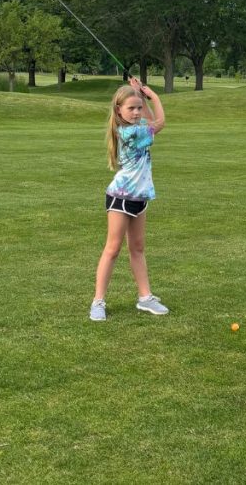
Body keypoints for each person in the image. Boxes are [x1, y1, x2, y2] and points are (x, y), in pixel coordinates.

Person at [90, 78, 168, 321]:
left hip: (139, 197)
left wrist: (139, 96)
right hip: (120, 197)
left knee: (137, 248)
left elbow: (147, 119)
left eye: (137, 108)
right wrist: (151, 95)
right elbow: (160, 122)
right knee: (112, 249)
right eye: (130, 108)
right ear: (118, 111)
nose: (135, 112)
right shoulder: (130, 131)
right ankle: (98, 302)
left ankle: (145, 298)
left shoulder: (136, 126)